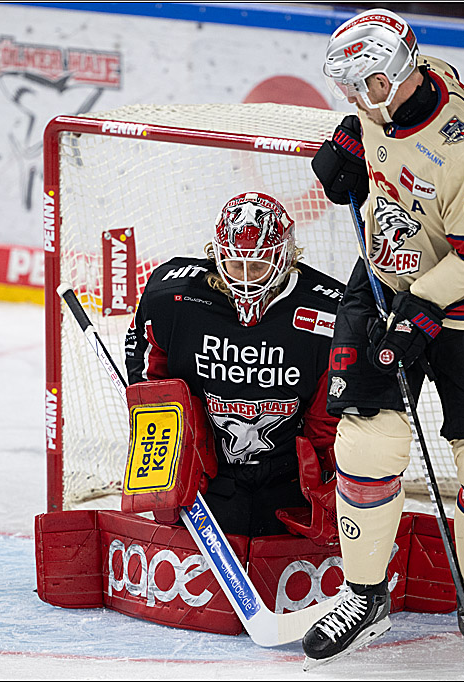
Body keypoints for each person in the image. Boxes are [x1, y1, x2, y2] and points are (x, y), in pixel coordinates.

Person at [301, 8, 464, 676]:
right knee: (367, 441)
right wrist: (352, 138)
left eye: (368, 87)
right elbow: (386, 139)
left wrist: (424, 310)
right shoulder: (408, 88)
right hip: (385, 282)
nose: (359, 98)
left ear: (400, 73)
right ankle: (363, 597)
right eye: (349, 89)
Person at [124, 191, 344, 542]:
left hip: (288, 478)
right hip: (208, 473)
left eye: (258, 265)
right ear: (217, 255)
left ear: (285, 258)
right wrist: (171, 453)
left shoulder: (328, 312)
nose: (246, 277)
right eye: (235, 264)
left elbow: (330, 407)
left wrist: (330, 475)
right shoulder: (175, 297)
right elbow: (151, 377)